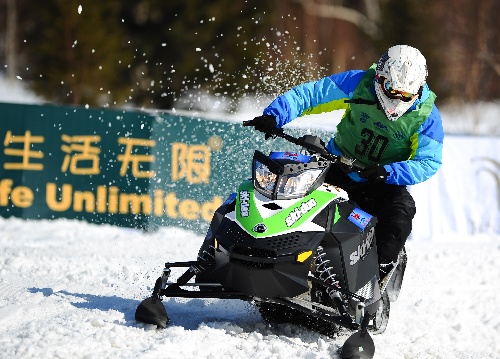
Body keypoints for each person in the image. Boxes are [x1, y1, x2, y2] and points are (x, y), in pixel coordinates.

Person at [244, 44, 444, 283]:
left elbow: (428, 161)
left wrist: (387, 172)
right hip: (335, 166)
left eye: (406, 95)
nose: (397, 99)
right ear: (379, 78)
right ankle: (267, 257)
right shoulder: (358, 83)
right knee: (284, 189)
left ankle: (373, 282)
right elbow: (311, 94)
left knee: (400, 218)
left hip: (382, 182)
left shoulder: (427, 117)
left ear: (418, 89)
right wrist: (275, 115)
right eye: (391, 89)